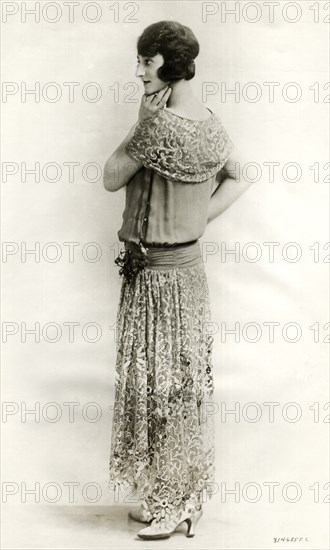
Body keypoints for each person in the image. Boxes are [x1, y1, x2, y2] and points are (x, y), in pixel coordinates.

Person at [104, 20, 253, 540]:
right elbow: (241, 174)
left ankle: (176, 503)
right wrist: (200, 220)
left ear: (169, 62)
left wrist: (139, 127)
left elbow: (110, 176)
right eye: (141, 60)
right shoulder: (209, 123)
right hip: (173, 275)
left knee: (164, 387)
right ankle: (173, 497)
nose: (140, 70)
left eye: (146, 60)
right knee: (170, 386)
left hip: (163, 279)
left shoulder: (159, 127)